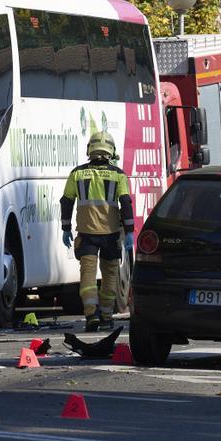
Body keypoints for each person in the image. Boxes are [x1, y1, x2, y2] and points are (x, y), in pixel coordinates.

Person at [60, 131, 134, 333]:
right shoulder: (118, 174)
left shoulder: (77, 173)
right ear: (111, 150)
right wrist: (129, 231)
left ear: (89, 149)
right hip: (110, 235)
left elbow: (66, 201)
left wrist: (65, 227)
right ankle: (107, 317)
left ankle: (91, 315)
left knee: (88, 276)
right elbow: (125, 203)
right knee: (110, 275)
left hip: (86, 234)